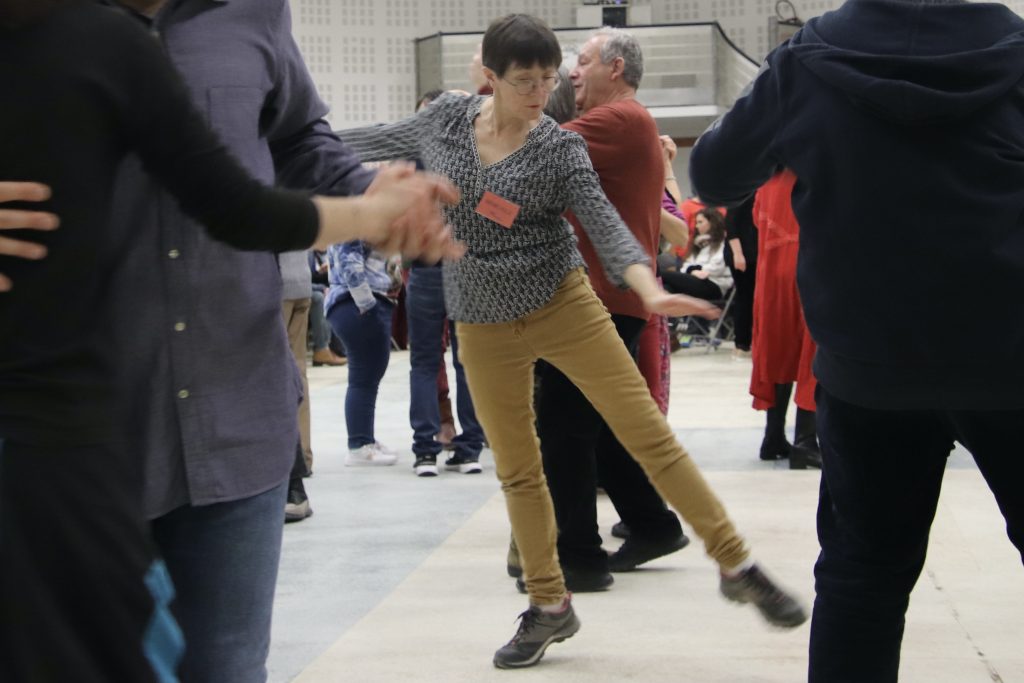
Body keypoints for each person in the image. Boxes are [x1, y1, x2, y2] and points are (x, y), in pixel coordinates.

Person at [0, 2, 459, 681]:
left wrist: (370, 194)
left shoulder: (250, 12)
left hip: (232, 414)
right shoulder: (39, 24)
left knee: (227, 668)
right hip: (67, 438)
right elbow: (236, 206)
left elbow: (295, 146)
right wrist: (370, 212)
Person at [338, 13, 807, 670]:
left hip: (563, 298)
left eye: (549, 79)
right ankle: (549, 604)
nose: (539, 94)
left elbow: (608, 227)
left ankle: (738, 562)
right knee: (520, 469)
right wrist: (272, 141)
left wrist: (647, 289)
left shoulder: (559, 146)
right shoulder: (444, 120)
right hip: (480, 316)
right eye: (524, 81)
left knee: (648, 434)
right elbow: (355, 141)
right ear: (489, 77)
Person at [688, 1, 1024, 681]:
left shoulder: (805, 65)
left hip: (868, 364)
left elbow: (716, 174)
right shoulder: (1015, 52)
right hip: (1010, 356)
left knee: (863, 575)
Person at [532, 28, 693, 591]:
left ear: (616, 68)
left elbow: (533, 153)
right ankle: (652, 525)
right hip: (604, 296)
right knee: (591, 425)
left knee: (562, 426)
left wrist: (499, 100)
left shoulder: (619, 119)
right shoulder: (624, 124)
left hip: (597, 299)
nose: (573, 72)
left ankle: (578, 558)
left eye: (583, 61)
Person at [405, 89, 486, 476]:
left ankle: (425, 451)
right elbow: (497, 209)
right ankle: (470, 448)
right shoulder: (476, 153)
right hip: (466, 267)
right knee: (466, 361)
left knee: (423, 361)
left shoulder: (412, 161)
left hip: (424, 269)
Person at [750, 170, 821, 470]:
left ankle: (773, 437)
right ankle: (805, 441)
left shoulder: (765, 181)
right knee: (812, 354)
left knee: (776, 351)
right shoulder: (815, 173)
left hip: (771, 275)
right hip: (809, 266)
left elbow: (756, 220)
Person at [326, 240, 402, 466]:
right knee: (363, 379)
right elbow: (349, 261)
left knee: (366, 378)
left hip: (356, 302)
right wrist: (368, 304)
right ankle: (359, 445)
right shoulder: (355, 211)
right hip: (356, 303)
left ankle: (364, 438)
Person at [661, 208, 733, 301]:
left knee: (660, 274)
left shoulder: (723, 242)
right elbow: (686, 266)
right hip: (697, 280)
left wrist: (694, 270)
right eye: (696, 223)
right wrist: (692, 271)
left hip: (714, 285)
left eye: (700, 222)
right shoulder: (700, 244)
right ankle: (665, 315)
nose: (696, 226)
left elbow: (717, 268)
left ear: (712, 222)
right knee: (666, 287)